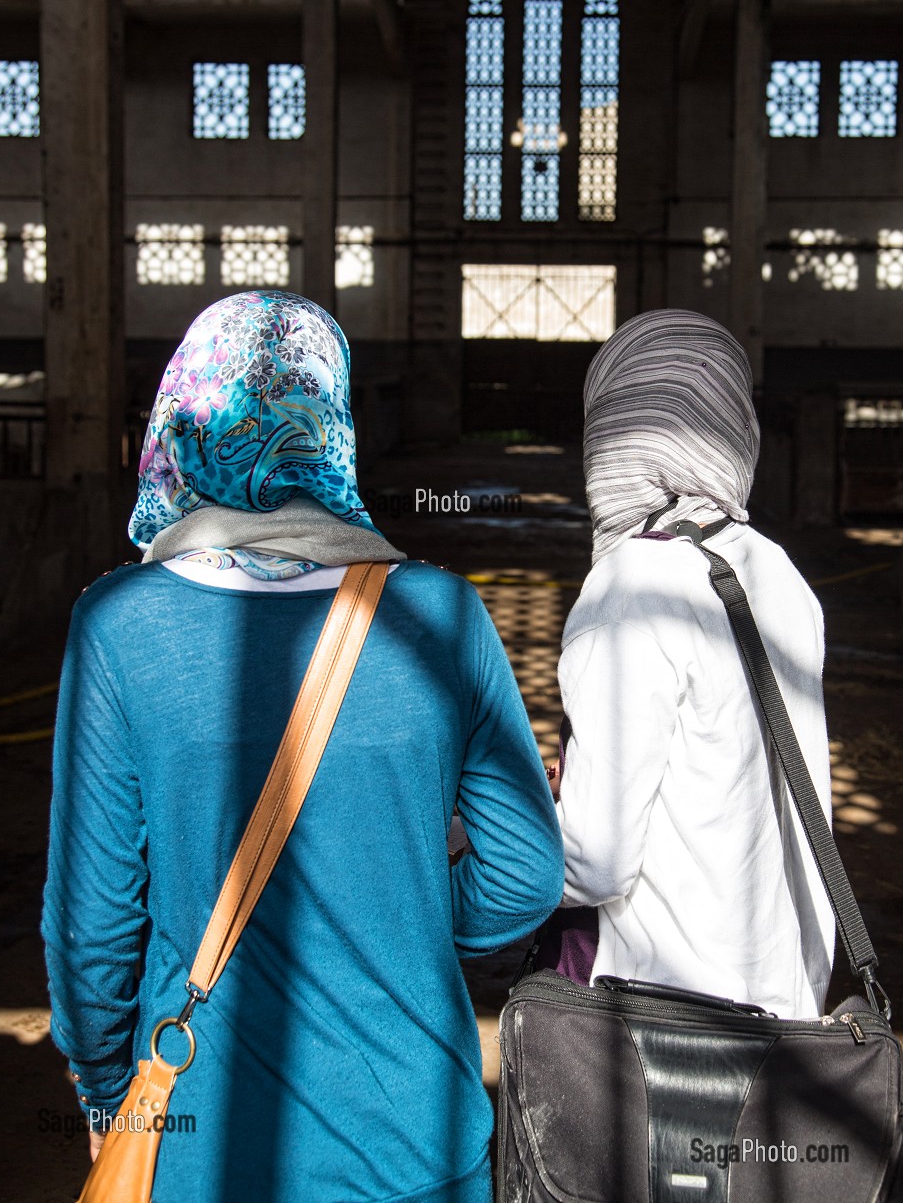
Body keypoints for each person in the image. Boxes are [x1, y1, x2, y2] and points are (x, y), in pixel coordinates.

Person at [42, 290, 564, 1203]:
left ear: (183, 419)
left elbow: (93, 926)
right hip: (416, 1138)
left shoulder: (121, 626)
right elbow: (523, 873)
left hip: (202, 1150)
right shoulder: (440, 615)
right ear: (331, 418)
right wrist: (389, 910)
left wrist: (103, 1093)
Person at [553, 308, 834, 1019]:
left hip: (662, 1021)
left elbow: (594, 860)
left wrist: (500, 828)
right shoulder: (777, 573)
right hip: (781, 1004)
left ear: (611, 430)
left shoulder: (630, 586)